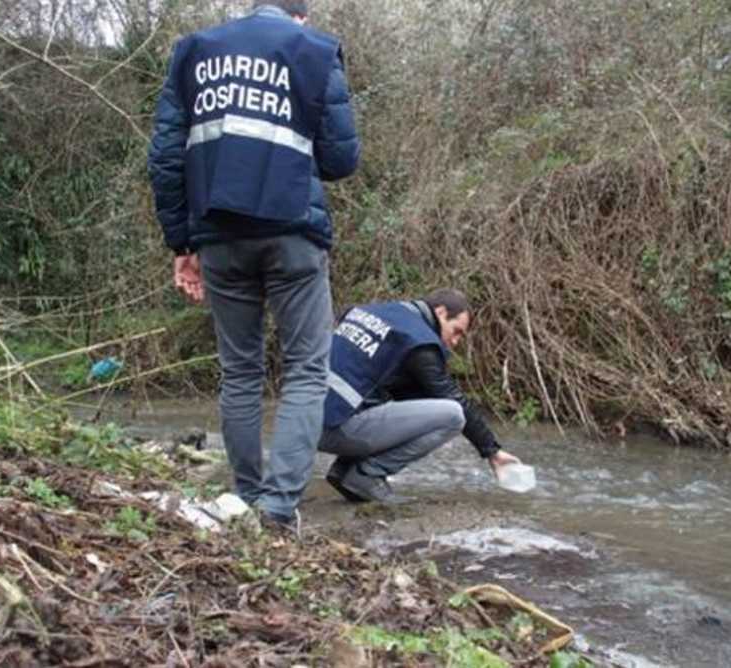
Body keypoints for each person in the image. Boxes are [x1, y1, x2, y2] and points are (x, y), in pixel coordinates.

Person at [147, 0, 360, 530]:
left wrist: (181, 244)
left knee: (239, 370)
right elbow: (341, 160)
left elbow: (165, 158)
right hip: (293, 232)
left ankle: (245, 495)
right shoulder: (315, 51)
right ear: (300, 17)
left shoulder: (194, 52)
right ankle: (278, 510)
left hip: (218, 235)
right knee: (306, 369)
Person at [319, 288, 522, 503]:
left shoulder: (373, 313)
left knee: (396, 403)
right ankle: (366, 474)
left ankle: (345, 470)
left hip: (303, 419)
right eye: (456, 331)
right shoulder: (418, 340)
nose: (455, 342)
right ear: (441, 312)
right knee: (453, 415)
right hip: (331, 429)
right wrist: (492, 451)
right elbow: (452, 399)